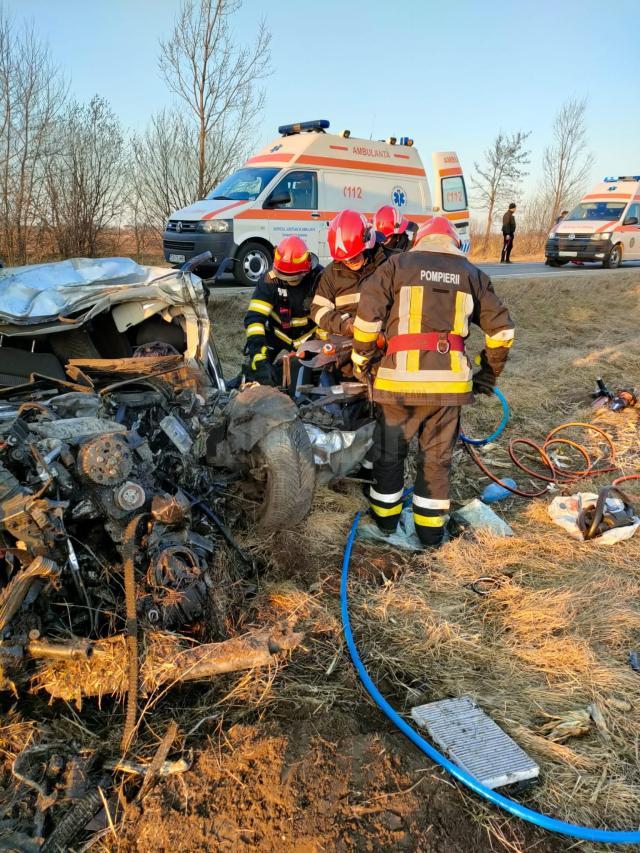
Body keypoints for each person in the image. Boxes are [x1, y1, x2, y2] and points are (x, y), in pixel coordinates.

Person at [350, 216, 514, 548]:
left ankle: (385, 524)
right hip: (448, 389)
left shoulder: (397, 265)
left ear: (420, 240)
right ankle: (429, 534)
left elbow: (368, 318)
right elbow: (502, 332)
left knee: (390, 455)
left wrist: (363, 360)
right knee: (436, 460)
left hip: (398, 384)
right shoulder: (473, 274)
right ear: (453, 243)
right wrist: (485, 373)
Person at [243, 235, 321, 384]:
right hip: (276, 335)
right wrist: (260, 360)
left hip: (310, 338)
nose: (290, 281)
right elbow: (254, 320)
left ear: (308, 267)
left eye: (295, 278)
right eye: (285, 278)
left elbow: (326, 322)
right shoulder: (269, 280)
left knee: (307, 379)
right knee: (255, 372)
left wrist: (310, 348)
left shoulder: (318, 278)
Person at [310, 209, 386, 341]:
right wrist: (345, 324)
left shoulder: (386, 266)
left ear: (368, 241)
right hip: (344, 340)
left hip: (380, 339)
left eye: (355, 255)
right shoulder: (331, 274)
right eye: (345, 259)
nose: (350, 261)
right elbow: (317, 310)